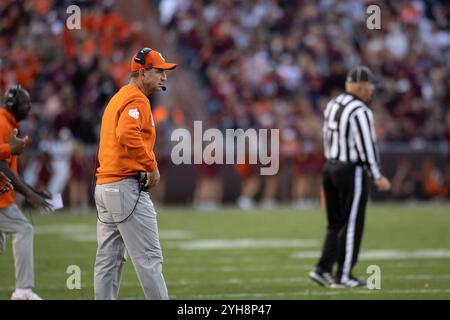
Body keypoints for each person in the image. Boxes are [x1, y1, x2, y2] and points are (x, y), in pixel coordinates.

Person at [94, 48, 176, 300]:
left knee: (108, 260)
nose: (163, 77)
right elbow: (127, 134)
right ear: (142, 72)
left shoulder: (121, 96)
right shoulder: (137, 99)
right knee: (149, 257)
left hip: (105, 187)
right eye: (158, 71)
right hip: (124, 186)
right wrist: (151, 165)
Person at [308, 66, 391, 288]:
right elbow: (367, 145)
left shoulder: (333, 104)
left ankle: (322, 269)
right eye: (371, 85)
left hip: (330, 167)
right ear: (361, 86)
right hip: (349, 171)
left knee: (335, 224)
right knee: (352, 223)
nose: (372, 90)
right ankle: (343, 274)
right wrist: (376, 175)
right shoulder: (360, 110)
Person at [0, 85, 53, 300]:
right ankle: (23, 292)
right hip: (2, 200)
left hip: (4, 196)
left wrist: (32, 190)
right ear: (13, 105)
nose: (29, 106)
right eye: (25, 103)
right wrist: (29, 195)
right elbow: (2, 165)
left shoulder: (9, 123)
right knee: (24, 229)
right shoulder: (3, 124)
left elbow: (9, 170)